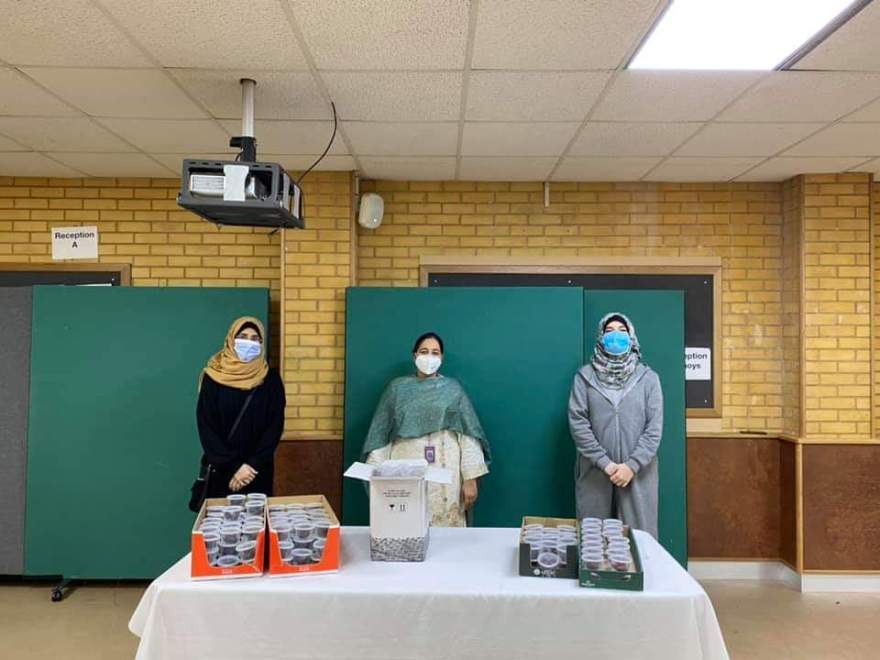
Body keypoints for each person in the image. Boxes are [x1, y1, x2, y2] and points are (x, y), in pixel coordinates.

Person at [362, 332, 491, 527]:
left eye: (435, 352)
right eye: (424, 351)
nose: (429, 357)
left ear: (442, 357)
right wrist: (375, 475)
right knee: (408, 529)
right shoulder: (397, 389)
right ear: (415, 355)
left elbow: (468, 435)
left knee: (448, 539)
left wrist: (471, 478)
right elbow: (381, 434)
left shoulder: (452, 389)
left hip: (447, 472)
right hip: (407, 471)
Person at [568, 313, 663, 537]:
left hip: (638, 473)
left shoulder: (648, 378)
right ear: (600, 338)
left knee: (639, 539)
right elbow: (578, 424)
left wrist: (631, 466)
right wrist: (606, 464)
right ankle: (596, 574)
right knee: (593, 539)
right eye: (609, 331)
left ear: (631, 337)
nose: (616, 335)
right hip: (595, 471)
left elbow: (654, 429)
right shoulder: (584, 377)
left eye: (622, 330)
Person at [196, 317, 286, 497]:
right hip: (222, 470)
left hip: (257, 472)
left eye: (255, 338)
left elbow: (274, 426)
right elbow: (207, 426)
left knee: (258, 522)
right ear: (231, 339)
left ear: (261, 343)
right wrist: (234, 467)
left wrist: (252, 465)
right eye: (243, 336)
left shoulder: (271, 379)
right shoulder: (213, 377)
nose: (249, 342)